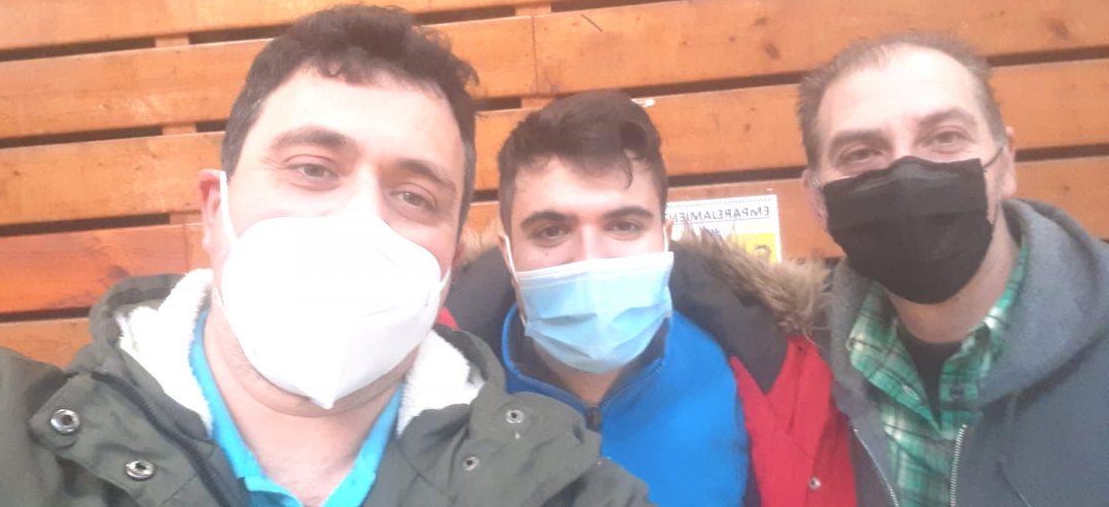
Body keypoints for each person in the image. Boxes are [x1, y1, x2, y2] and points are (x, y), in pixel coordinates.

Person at [0, 6, 652, 507]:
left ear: (450, 261)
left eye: (414, 196)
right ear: (215, 208)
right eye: (312, 169)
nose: (359, 222)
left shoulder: (565, 487)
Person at [447, 91, 855, 507]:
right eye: (551, 231)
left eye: (624, 225)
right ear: (508, 253)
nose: (590, 257)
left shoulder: (759, 384)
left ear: (664, 239)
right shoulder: (441, 397)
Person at [797, 32, 1109, 507]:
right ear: (819, 200)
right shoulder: (794, 369)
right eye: (861, 153)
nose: (906, 176)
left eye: (945, 138)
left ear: (1005, 164)